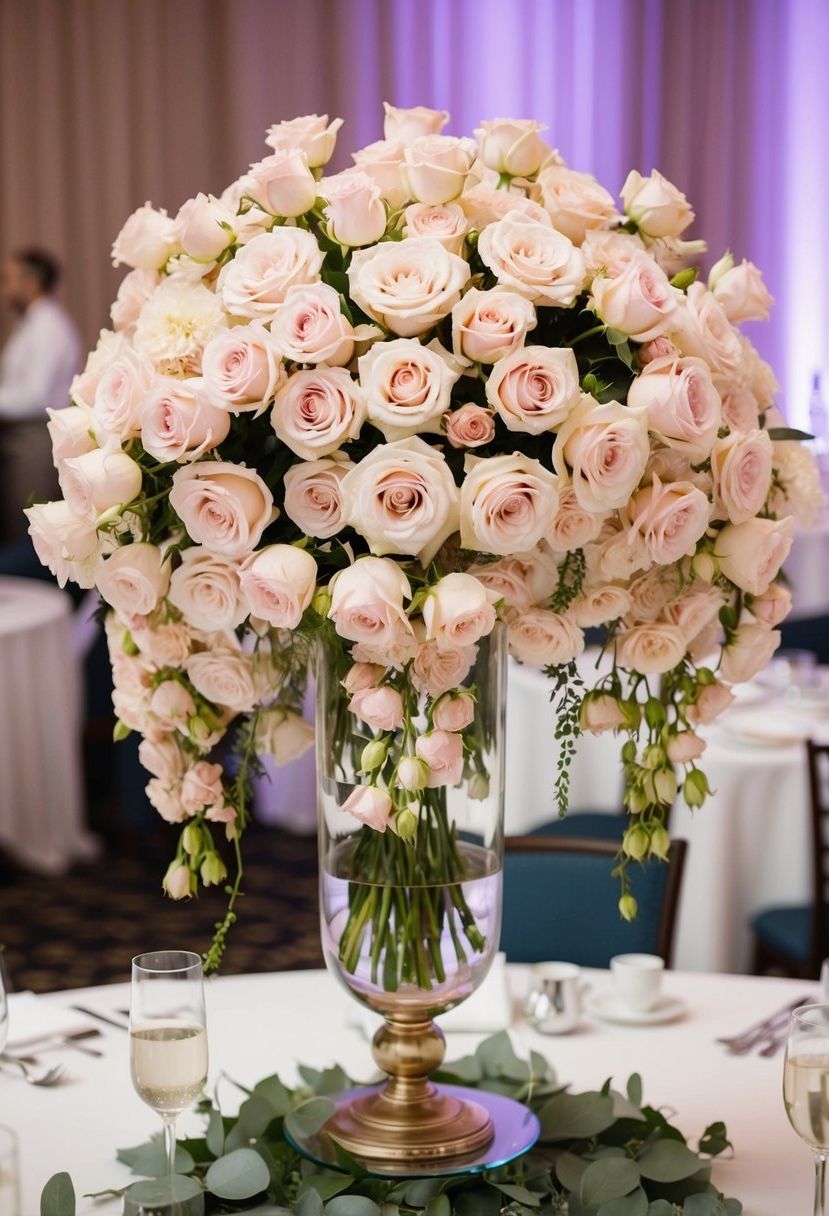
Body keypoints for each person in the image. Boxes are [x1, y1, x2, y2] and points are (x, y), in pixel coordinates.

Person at [0, 248, 81, 542]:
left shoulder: (49, 327)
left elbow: (37, 397)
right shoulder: (31, 324)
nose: (5, 288)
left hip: (37, 438)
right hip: (22, 437)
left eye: (8, 279)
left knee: (32, 529)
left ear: (31, 281)